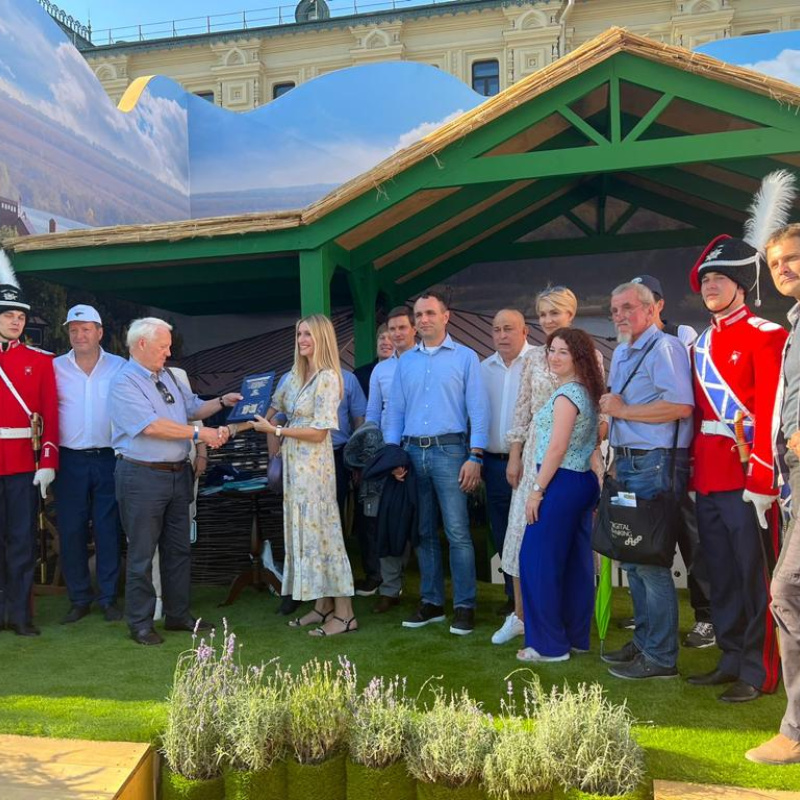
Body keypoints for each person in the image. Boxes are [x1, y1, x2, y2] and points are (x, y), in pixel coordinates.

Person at [686, 173, 792, 703]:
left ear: (741, 284)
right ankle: (729, 657)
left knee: (756, 578)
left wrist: (763, 480)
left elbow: (770, 413)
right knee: (721, 574)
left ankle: (758, 669)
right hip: (709, 475)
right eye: (706, 279)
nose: (710, 286)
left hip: (749, 477)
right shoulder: (700, 345)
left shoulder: (768, 336)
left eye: (721, 278)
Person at [110, 317, 240, 645]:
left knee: (179, 549)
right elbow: (151, 426)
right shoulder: (123, 382)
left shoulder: (166, 375)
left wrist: (221, 402)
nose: (168, 352)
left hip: (176, 474)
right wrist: (200, 435)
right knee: (142, 554)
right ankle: (140, 623)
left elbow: (192, 407)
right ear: (141, 345)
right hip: (141, 475)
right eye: (163, 346)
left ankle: (178, 615)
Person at [496, 286, 603, 645]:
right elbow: (522, 408)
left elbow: (597, 406)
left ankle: (563, 623)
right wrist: (514, 454)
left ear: (570, 313)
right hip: (534, 458)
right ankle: (521, 616)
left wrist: (593, 446)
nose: (547, 320)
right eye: (542, 314)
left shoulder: (588, 354)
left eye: (554, 313)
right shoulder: (531, 359)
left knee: (562, 544)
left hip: (571, 459)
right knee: (521, 539)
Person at [600, 281, 694, 680]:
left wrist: (623, 411)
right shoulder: (623, 351)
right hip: (628, 461)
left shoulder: (665, 348)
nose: (619, 315)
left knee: (650, 562)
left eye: (628, 307)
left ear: (653, 309)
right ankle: (643, 643)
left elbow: (680, 406)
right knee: (632, 558)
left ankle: (661, 656)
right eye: (614, 309)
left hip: (655, 462)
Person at [384, 290, 489, 635]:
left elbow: (478, 409)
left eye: (430, 313)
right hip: (412, 453)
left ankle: (464, 606)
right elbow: (395, 411)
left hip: (451, 451)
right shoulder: (406, 362)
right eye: (419, 314)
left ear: (446, 316)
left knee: (458, 531)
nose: (424, 319)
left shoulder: (466, 357)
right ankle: (431, 603)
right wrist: (393, 455)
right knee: (423, 531)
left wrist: (475, 455)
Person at [252, 314, 358, 637]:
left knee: (325, 535)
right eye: (299, 334)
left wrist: (277, 430)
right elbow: (270, 408)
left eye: (308, 334)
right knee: (306, 536)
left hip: (315, 469)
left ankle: (345, 614)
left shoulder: (328, 378)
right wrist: (243, 413)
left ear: (322, 338)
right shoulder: (294, 376)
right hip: (294, 470)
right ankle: (322, 606)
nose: (302, 340)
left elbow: (319, 432)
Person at [629, 275, 714, 650]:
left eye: (642, 301)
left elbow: (689, 400)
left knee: (691, 540)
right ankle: (649, 619)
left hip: (679, 458)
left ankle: (707, 617)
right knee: (647, 542)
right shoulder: (628, 345)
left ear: (658, 304)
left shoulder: (681, 336)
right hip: (644, 461)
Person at [516, 328, 602, 663]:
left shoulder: (569, 395)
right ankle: (575, 637)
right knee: (575, 564)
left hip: (561, 482)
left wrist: (537, 491)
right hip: (580, 482)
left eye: (563, 352)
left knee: (536, 562)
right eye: (552, 350)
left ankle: (548, 646)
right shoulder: (586, 392)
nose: (554, 357)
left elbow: (557, 447)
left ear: (579, 357)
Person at [748, 220, 800, 763]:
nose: (783, 269)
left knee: (786, 592)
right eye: (776, 262)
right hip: (793, 477)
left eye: (792, 258)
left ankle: (796, 731)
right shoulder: (794, 323)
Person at [54, 304, 126, 624]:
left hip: (109, 457)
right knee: (71, 530)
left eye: (85, 329)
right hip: (69, 458)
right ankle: (79, 598)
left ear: (99, 332)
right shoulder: (54, 367)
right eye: (73, 330)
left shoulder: (120, 367)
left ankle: (109, 598)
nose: (79, 335)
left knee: (108, 528)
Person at [0, 253, 58, 637]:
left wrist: (48, 460)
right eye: (8, 315)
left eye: (20, 316)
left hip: (23, 464)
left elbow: (50, 415)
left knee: (21, 543)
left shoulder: (40, 361)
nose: (16, 321)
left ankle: (20, 615)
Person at [480, 309, 533, 616]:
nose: (502, 335)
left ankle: (532, 598)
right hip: (494, 464)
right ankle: (513, 598)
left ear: (525, 331)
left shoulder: (538, 363)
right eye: (497, 329)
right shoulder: (484, 368)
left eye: (508, 329)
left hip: (529, 463)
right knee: (501, 531)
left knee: (529, 530)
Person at [366, 305, 417, 612]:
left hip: (422, 450)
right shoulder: (381, 370)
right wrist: (382, 457)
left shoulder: (425, 362)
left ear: (414, 329)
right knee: (388, 522)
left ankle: (429, 593)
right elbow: (373, 415)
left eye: (401, 328)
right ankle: (389, 588)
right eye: (391, 330)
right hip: (390, 455)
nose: (396, 335)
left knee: (422, 525)